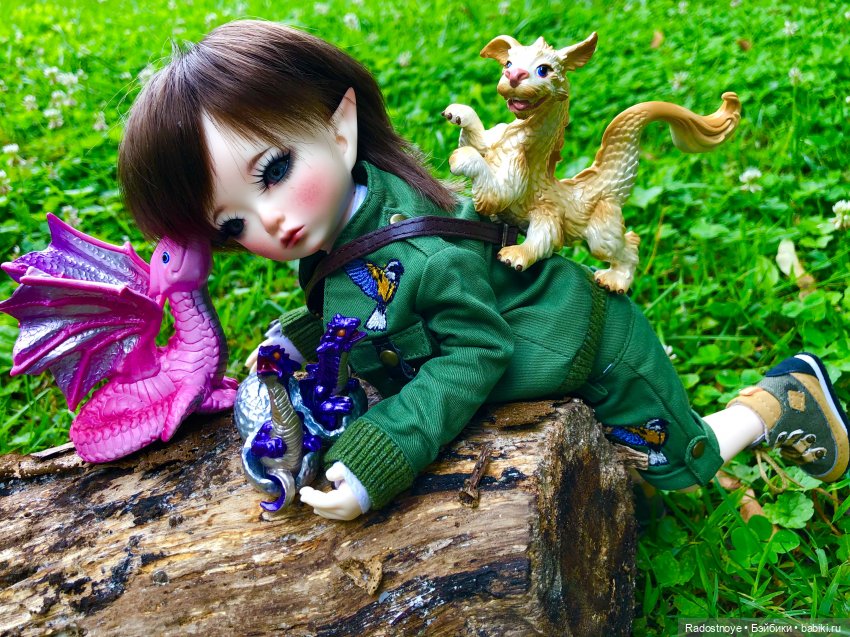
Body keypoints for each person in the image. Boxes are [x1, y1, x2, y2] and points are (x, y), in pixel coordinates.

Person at [118, 20, 849, 520]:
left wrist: (382, 451)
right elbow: (374, 303)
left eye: (275, 170)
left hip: (594, 355)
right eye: (233, 223)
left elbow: (476, 349)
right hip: (545, 356)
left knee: (678, 468)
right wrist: (298, 336)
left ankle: (777, 402)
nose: (271, 221)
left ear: (340, 129)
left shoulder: (419, 252)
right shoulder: (347, 232)